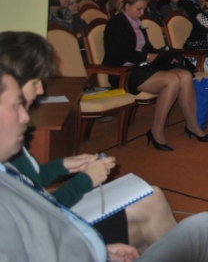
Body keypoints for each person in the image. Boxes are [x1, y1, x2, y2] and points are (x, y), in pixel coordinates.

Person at [0, 67, 208, 262]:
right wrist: (85, 182)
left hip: (77, 242)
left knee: (153, 197)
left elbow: (36, 196)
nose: (25, 117)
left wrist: (63, 165)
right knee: (206, 227)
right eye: (15, 106)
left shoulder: (6, 169)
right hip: (73, 240)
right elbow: (45, 220)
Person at [0, 31, 177, 249]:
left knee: (150, 205)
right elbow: (36, 213)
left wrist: (63, 164)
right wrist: (85, 181)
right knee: (150, 209)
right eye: (36, 81)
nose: (41, 89)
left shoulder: (11, 128)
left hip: (49, 221)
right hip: (48, 229)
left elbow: (31, 179)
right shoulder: (7, 133)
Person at [103, 0, 208, 150]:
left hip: (142, 67)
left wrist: (163, 55)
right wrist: (149, 56)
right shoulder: (116, 23)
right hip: (124, 72)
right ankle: (156, 131)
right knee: (172, 80)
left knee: (185, 75)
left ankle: (192, 124)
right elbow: (120, 54)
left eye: (143, 9)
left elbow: (147, 48)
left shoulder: (137, 22)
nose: (142, 13)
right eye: (138, 9)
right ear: (127, 6)